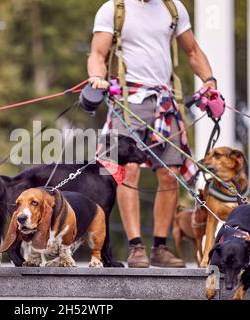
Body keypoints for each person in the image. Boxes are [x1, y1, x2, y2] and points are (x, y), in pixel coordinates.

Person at [87, 0, 216, 268]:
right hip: (126, 98)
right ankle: (136, 247)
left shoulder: (173, 8)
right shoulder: (113, 9)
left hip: (165, 100)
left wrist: (210, 81)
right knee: (126, 171)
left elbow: (192, 51)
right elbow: (97, 55)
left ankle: (160, 247)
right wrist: (97, 79)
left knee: (170, 172)